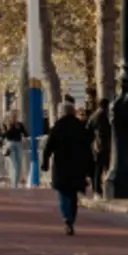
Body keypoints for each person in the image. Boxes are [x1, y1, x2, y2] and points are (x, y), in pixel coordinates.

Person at [41, 100, 93, 236]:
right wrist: (89, 167)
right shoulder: (80, 127)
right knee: (73, 194)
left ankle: (67, 218)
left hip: (61, 165)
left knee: (64, 193)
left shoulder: (57, 127)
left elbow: (48, 147)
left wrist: (45, 162)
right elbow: (87, 147)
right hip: (77, 166)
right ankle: (72, 217)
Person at [1, 112, 27, 189]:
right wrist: (9, 127)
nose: (15, 118)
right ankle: (14, 184)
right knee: (15, 164)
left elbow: (25, 133)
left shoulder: (20, 124)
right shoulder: (7, 124)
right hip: (11, 144)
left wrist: (22, 133)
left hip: (18, 144)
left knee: (19, 164)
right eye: (13, 116)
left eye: (15, 116)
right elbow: (4, 135)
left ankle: (15, 182)